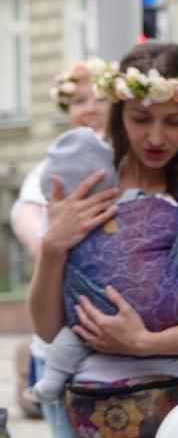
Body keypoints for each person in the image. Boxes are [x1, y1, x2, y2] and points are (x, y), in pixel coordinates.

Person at [27, 40, 178, 438]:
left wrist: (145, 343)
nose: (156, 137)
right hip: (87, 404)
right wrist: (52, 248)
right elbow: (50, 331)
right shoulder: (85, 182)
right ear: (119, 114)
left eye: (173, 122)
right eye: (140, 119)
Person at [10, 57, 117, 438]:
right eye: (78, 101)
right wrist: (57, 239)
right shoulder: (48, 172)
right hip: (61, 346)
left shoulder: (140, 165)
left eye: (98, 98)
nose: (88, 108)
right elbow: (37, 238)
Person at [22, 126, 116, 404]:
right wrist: (52, 243)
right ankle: (50, 383)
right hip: (77, 323)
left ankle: (50, 383)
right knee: (69, 340)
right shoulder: (59, 218)